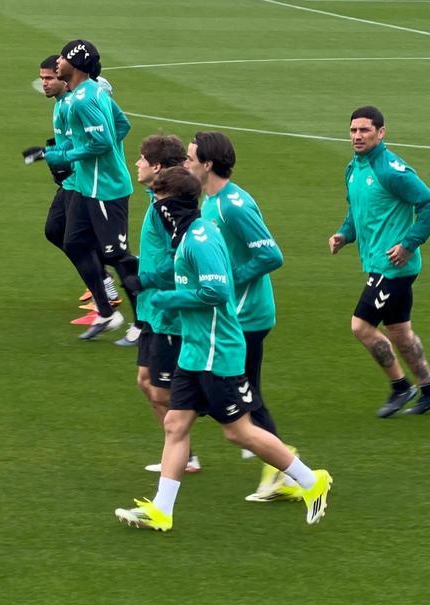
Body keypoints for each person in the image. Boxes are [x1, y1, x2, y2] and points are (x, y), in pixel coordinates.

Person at [114, 168, 333, 531]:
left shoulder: (200, 238)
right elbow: (181, 270)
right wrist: (147, 277)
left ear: (175, 205)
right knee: (175, 423)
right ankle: (161, 510)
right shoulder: (187, 236)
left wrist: (168, 299)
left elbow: (217, 292)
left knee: (239, 432)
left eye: (160, 198)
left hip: (217, 351)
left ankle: (313, 481)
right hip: (195, 350)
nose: (155, 204)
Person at [184, 131, 296, 501]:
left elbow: (271, 256)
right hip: (232, 317)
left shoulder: (234, 205)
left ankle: (285, 468)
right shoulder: (210, 201)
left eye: (190, 158)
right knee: (241, 396)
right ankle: (273, 459)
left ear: (208, 164)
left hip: (247, 317)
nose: (186, 164)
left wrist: (227, 281)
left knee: (249, 396)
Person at [329, 106, 430, 418]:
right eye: (353, 130)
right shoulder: (353, 168)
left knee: (362, 326)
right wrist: (344, 234)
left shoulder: (391, 169)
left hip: (393, 267)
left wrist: (408, 245)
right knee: (399, 331)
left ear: (381, 133)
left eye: (365, 130)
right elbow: (357, 210)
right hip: (378, 263)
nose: (357, 136)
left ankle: (400, 386)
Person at [43, 39, 140, 340]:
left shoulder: (85, 98)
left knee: (117, 255)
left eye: (62, 58)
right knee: (73, 241)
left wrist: (67, 156)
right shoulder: (90, 92)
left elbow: (103, 141)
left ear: (76, 64)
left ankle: (145, 323)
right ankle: (107, 312)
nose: (57, 62)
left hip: (105, 189)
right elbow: (122, 125)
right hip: (88, 185)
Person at [123, 133, 202, 473]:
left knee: (161, 391)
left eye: (141, 159)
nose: (137, 164)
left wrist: (146, 278)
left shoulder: (167, 208)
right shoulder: (158, 200)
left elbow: (181, 257)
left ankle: (233, 419)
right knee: (146, 382)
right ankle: (184, 453)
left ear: (156, 167)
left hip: (168, 312)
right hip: (152, 310)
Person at [26, 55, 121, 319]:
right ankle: (100, 281)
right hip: (72, 180)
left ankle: (106, 293)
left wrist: (56, 156)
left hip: (83, 182)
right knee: (56, 231)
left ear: (64, 81)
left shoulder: (72, 106)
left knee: (80, 239)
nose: (44, 83)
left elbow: (94, 140)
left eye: (49, 78)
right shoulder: (60, 104)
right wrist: (48, 153)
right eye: (42, 78)